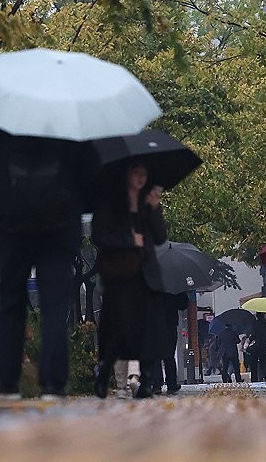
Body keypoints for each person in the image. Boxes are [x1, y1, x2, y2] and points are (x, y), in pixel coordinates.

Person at [0, 127, 93, 400]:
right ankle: (53, 383)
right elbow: (89, 173)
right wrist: (73, 214)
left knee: (11, 302)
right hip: (59, 227)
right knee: (54, 306)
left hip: (12, 225)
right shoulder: (67, 116)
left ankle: (7, 382)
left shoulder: (0, 118)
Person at [91, 165, 168, 399]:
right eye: (136, 174)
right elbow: (99, 235)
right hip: (119, 275)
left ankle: (146, 380)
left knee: (146, 328)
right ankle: (104, 375)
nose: (140, 179)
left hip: (144, 274)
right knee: (117, 328)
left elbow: (160, 236)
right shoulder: (110, 202)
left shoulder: (148, 202)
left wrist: (155, 209)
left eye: (144, 175)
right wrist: (128, 239)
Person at [153, 290, 189, 394]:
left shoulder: (149, 282)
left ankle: (156, 385)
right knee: (169, 355)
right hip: (169, 324)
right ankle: (171, 384)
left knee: (155, 356)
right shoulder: (173, 285)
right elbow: (183, 304)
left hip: (152, 324)